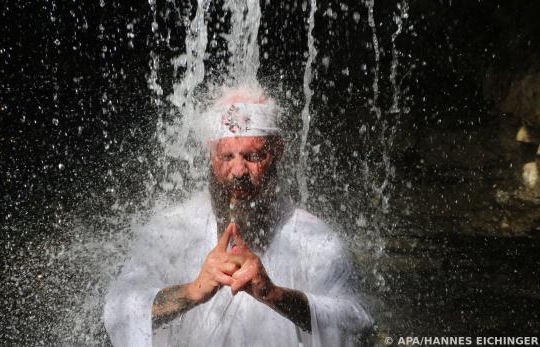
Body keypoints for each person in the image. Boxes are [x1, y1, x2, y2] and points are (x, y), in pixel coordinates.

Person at [104, 86, 373, 346]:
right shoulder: (172, 228)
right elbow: (118, 311)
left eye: (253, 156)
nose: (238, 171)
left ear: (277, 151)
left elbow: (357, 323)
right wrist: (192, 292)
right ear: (212, 154)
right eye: (227, 156)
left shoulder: (314, 240)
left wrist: (274, 295)